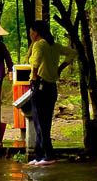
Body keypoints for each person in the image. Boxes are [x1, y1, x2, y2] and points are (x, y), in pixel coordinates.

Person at [26, 19, 77, 166]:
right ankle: (40, 155)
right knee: (43, 122)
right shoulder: (53, 46)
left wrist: (34, 79)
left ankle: (48, 155)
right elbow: (73, 53)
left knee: (40, 122)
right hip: (51, 87)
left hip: (40, 86)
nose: (30, 34)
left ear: (36, 32)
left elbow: (35, 63)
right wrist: (60, 68)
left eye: (31, 32)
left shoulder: (39, 44)